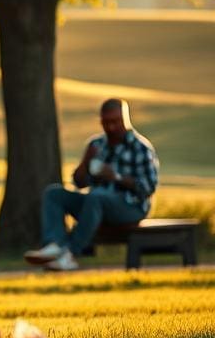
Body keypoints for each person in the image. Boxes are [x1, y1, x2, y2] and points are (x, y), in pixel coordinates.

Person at [24, 98, 159, 271]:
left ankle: (70, 254)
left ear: (125, 119)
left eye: (115, 122)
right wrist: (86, 160)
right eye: (106, 122)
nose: (111, 127)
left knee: (96, 197)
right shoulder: (97, 145)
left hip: (130, 207)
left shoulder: (140, 148)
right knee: (54, 194)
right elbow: (79, 183)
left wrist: (116, 177)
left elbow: (148, 187)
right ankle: (54, 245)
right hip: (94, 205)